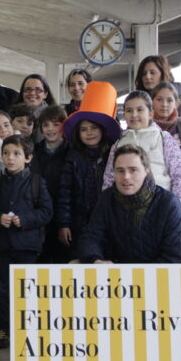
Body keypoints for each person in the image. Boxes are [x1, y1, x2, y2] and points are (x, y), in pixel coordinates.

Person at [0, 135, 53, 348]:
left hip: (27, 246)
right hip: (1, 246)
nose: (10, 158)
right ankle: (3, 328)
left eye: (16, 154)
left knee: (26, 289)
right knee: (1, 289)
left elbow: (47, 211)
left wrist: (27, 220)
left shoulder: (36, 182)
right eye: (6, 153)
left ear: (28, 158)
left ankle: (26, 329)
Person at [79, 144, 181, 264]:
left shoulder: (169, 204)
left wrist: (140, 277)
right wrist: (96, 260)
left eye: (133, 170)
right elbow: (91, 237)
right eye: (120, 171)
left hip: (158, 278)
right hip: (114, 277)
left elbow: (176, 256)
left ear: (147, 171)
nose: (126, 177)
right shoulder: (106, 199)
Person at [57, 82, 121, 262]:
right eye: (84, 129)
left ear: (102, 130)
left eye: (93, 128)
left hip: (108, 222)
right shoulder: (72, 157)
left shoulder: (113, 154)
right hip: (79, 223)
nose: (89, 133)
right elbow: (64, 194)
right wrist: (64, 224)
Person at [103, 90, 181, 207]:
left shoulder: (164, 139)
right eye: (129, 111)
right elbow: (109, 177)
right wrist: (107, 205)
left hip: (161, 205)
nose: (134, 115)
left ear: (150, 114)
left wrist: (178, 205)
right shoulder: (118, 144)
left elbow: (179, 175)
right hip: (125, 208)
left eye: (139, 110)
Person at [30, 105, 70, 264]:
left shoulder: (72, 151)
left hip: (64, 217)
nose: (50, 129)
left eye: (56, 124)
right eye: (46, 125)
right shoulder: (34, 152)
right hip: (40, 215)